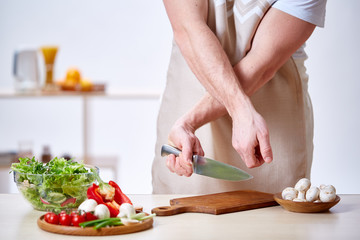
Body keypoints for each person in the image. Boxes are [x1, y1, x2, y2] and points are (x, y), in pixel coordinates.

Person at [152, 0, 327, 194]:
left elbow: (262, 65)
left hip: (272, 116)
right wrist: (238, 111)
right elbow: (188, 29)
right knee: (181, 217)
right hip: (190, 93)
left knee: (275, 219)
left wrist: (191, 121)